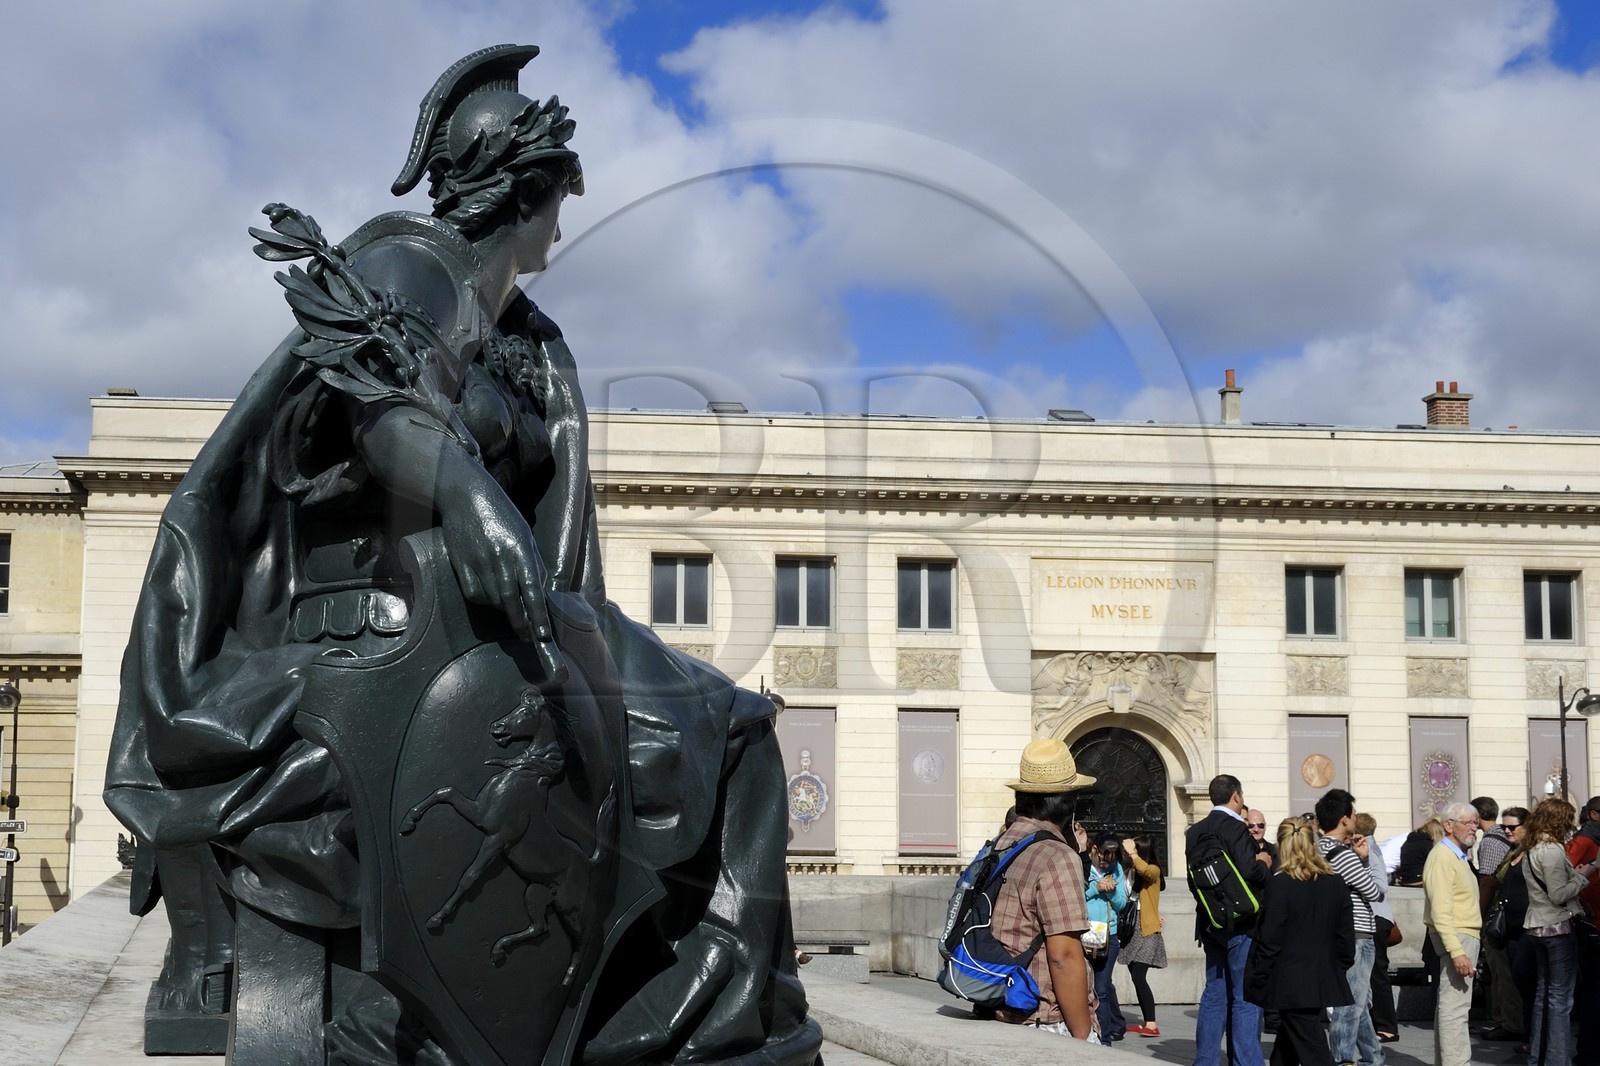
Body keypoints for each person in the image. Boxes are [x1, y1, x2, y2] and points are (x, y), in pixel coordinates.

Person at [103, 44, 820, 1066]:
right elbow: (379, 405)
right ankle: (678, 1024)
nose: (565, 216)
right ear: (525, 190)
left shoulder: (527, 335)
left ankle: (692, 1016)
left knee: (730, 733)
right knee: (733, 735)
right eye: (558, 191)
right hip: (380, 645)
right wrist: (465, 492)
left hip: (494, 645)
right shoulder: (408, 267)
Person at [988, 739, 1098, 1042]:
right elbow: (1063, 956)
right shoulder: (1057, 855)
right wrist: (1083, 1035)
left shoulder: (1000, 845)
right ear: (1068, 802)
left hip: (999, 1003)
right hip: (1044, 1016)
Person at [1246, 817, 1355, 1066]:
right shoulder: (1336, 884)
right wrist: (1335, 968)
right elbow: (1345, 938)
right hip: (1321, 977)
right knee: (1288, 1044)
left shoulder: (1281, 884)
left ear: (1282, 846)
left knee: (1314, 1050)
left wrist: (1259, 977)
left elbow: (1270, 939)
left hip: (1289, 980)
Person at [1186, 773, 1273, 1066]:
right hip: (1243, 923)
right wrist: (1265, 863)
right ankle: (1247, 1062)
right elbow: (1250, 872)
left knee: (1214, 994)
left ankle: (1205, 1060)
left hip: (1211, 922)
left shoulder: (1195, 831)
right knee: (1245, 996)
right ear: (1236, 796)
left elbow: (1193, 882)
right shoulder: (1235, 827)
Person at [1523, 798, 1598, 1066]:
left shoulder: (1532, 848)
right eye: (1567, 820)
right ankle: (1557, 1060)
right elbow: (1558, 894)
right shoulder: (1552, 850)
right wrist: (1584, 873)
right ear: (1559, 821)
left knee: (1544, 996)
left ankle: (1539, 1058)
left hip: (1537, 926)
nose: (1571, 825)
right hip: (1557, 927)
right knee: (1560, 1000)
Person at [1314, 789, 1386, 1066]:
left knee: (1359, 1002)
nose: (1356, 818)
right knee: (1351, 1003)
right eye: (1354, 814)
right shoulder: (1343, 855)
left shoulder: (1317, 849)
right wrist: (1365, 860)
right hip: (1357, 933)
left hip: (1333, 933)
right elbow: (1374, 891)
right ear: (1344, 819)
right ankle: (1342, 1059)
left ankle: (1374, 1057)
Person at [1423, 801, 1482, 1066]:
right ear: (1449, 825)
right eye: (1468, 822)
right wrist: (1457, 951)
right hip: (1457, 936)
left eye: (1475, 822)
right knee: (1455, 1008)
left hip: (1461, 934)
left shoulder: (1455, 855)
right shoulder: (1443, 857)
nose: (1475, 827)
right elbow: (1441, 910)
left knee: (1452, 1007)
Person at [1353, 813, 1398, 1045]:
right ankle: (1381, 1023)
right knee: (1374, 973)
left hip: (1375, 918)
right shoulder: (1371, 847)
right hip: (1379, 918)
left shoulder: (1367, 851)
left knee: (1377, 973)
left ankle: (1387, 1026)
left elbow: (1380, 885)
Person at [1121, 834, 1169, 1038]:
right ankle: (1147, 1021)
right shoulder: (1129, 871)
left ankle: (1151, 1024)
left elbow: (1146, 870)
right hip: (1132, 929)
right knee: (1135, 976)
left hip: (1147, 930)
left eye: (1132, 850)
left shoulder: (1153, 870)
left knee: (1139, 975)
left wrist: (1133, 853)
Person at [1085, 835, 1129, 1040]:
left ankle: (1105, 1038)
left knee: (1101, 989)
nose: (1105, 863)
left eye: (1110, 861)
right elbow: (1076, 896)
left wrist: (1110, 892)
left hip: (1107, 937)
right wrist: (1096, 888)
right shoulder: (1082, 866)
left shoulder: (1116, 869)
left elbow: (1121, 903)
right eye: (1103, 858)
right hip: (1083, 933)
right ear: (1094, 849)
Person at [1395, 817, 1444, 886]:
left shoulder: (1408, 842)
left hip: (1406, 880)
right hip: (1419, 880)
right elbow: (1436, 863)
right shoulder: (1426, 844)